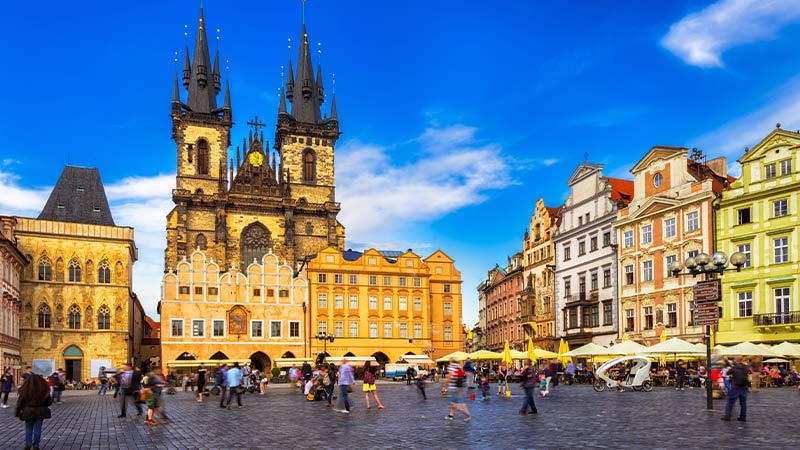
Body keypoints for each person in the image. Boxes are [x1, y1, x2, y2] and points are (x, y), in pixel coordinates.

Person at [15, 373, 52, 450]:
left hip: (28, 411)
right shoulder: (43, 389)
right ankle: (36, 446)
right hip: (40, 411)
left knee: (28, 428)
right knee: (38, 429)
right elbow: (49, 402)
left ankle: (28, 444)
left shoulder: (25, 389)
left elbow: (20, 402)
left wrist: (18, 411)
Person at [723, 356, 749, 422]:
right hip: (744, 387)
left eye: (734, 359)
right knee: (743, 404)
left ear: (736, 360)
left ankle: (727, 416)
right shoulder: (746, 367)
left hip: (735, 387)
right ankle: (743, 417)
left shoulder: (734, 367)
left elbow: (727, 373)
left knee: (730, 402)